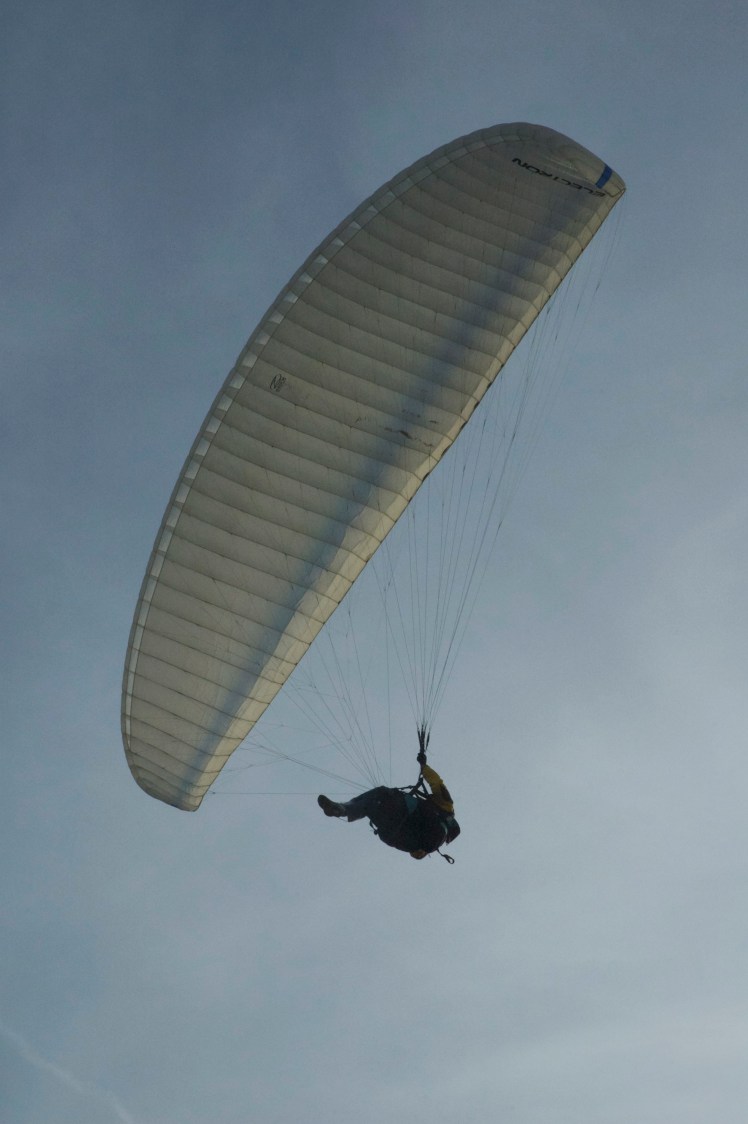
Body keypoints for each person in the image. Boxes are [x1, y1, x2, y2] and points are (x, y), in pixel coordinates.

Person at [317, 752, 460, 860]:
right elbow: (415, 854)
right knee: (371, 807)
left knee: (380, 793)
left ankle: (343, 810)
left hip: (401, 812)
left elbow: (436, 783)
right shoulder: (433, 843)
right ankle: (342, 810)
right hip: (389, 832)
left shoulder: (447, 807)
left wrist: (424, 766)